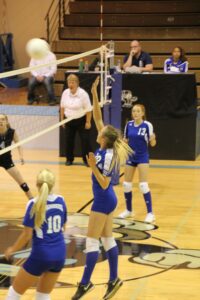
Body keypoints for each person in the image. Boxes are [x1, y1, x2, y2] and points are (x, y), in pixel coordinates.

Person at [72, 77, 133, 300]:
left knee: (91, 241)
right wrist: (94, 92)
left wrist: (91, 167)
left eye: (101, 130)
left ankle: (85, 284)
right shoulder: (104, 144)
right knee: (107, 240)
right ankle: (114, 279)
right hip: (107, 199)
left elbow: (106, 182)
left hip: (104, 198)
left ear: (104, 139)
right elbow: (97, 115)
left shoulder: (107, 155)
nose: (99, 128)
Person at [5, 169, 67, 300]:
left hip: (41, 254)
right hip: (60, 254)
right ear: (52, 185)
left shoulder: (33, 204)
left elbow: (26, 235)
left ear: (37, 185)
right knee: (43, 295)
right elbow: (64, 227)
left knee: (14, 293)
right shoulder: (61, 201)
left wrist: (12, 250)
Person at [118, 104, 156, 223]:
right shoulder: (128, 125)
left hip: (142, 157)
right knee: (126, 185)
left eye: (138, 111)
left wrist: (153, 139)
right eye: (134, 111)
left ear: (142, 113)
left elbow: (153, 144)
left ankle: (150, 213)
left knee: (143, 185)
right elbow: (125, 141)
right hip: (130, 157)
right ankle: (129, 210)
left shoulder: (147, 125)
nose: (135, 113)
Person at [60, 74, 92, 166]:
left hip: (81, 120)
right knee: (68, 140)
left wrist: (88, 121)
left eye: (73, 82)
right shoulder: (65, 93)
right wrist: (62, 119)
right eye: (69, 82)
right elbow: (62, 107)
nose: (71, 84)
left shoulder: (83, 94)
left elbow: (89, 109)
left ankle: (87, 160)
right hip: (68, 120)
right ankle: (69, 159)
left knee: (85, 141)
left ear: (77, 84)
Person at [0, 114, 33, 200]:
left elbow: (18, 144)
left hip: (7, 160)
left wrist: (21, 156)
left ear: (6, 121)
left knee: (20, 180)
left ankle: (31, 199)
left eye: (3, 119)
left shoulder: (12, 132)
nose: (1, 121)